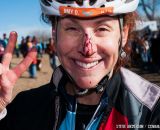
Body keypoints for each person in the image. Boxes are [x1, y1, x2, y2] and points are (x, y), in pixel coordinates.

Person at [0, 0, 160, 130]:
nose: (87, 48)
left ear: (123, 34)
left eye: (102, 28)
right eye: (72, 28)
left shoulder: (151, 111)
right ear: (54, 34)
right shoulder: (24, 107)